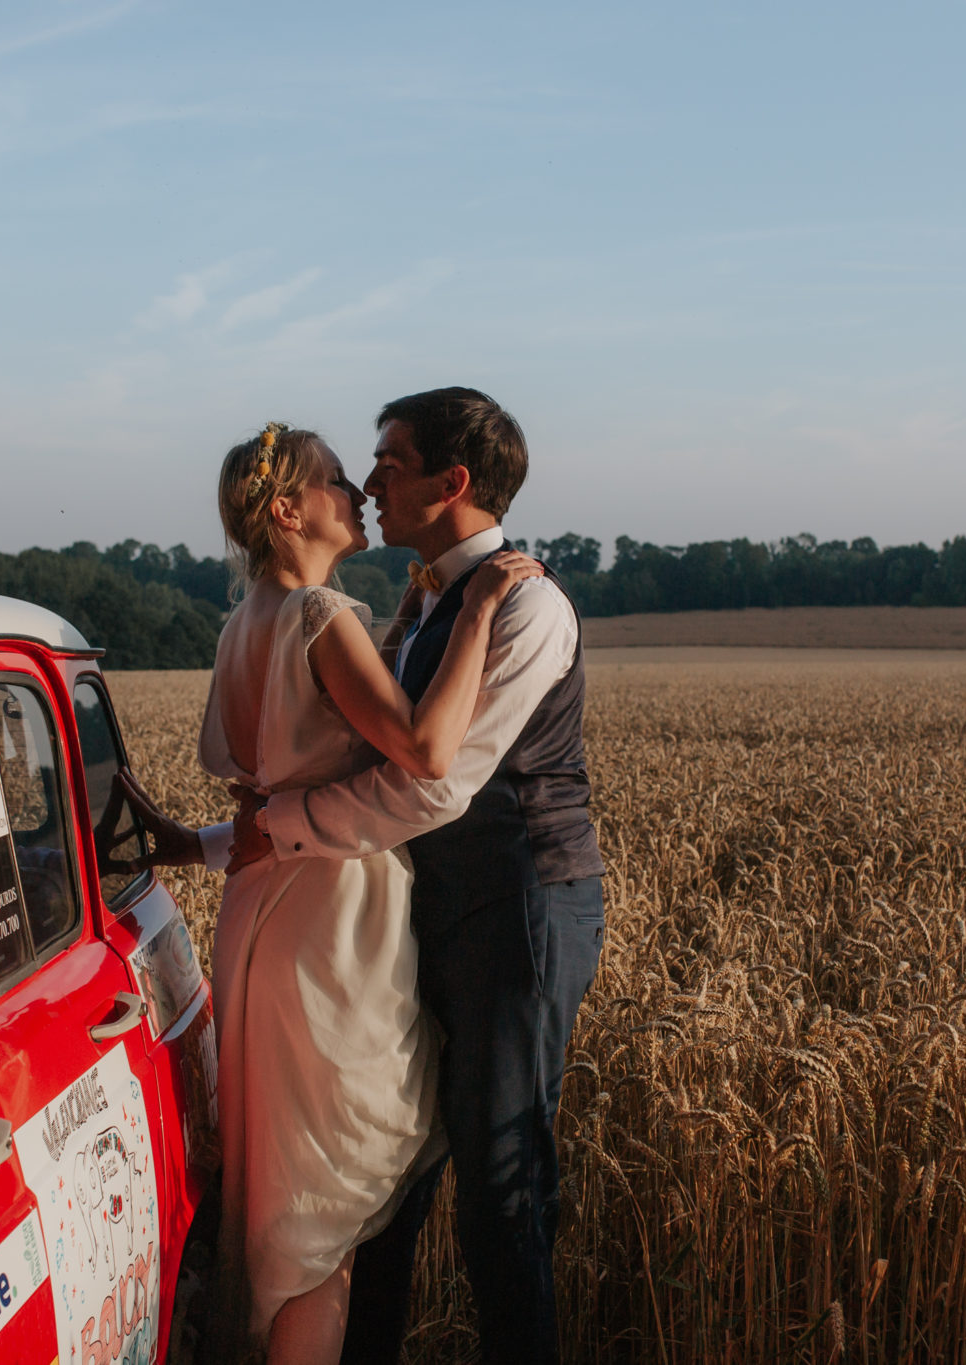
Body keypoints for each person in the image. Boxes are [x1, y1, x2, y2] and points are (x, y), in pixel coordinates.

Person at [141, 389, 605, 1365]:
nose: (365, 481)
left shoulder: (522, 603)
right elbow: (355, 775)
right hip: (365, 915)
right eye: (349, 469)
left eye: (386, 461)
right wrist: (254, 829)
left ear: (453, 482)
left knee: (488, 1180)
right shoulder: (411, 605)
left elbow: (424, 786)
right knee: (362, 1183)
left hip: (508, 905)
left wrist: (240, 835)